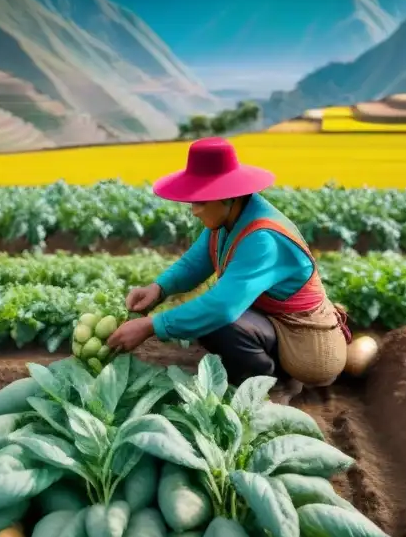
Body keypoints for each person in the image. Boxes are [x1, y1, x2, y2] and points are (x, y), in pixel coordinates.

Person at [105, 136, 352, 404]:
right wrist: (158, 288)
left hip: (307, 346)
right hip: (271, 321)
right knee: (207, 318)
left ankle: (275, 384)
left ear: (228, 197)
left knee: (218, 319)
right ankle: (262, 368)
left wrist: (151, 325)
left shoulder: (262, 238)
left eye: (200, 201)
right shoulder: (228, 219)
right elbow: (195, 263)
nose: (193, 211)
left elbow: (222, 308)